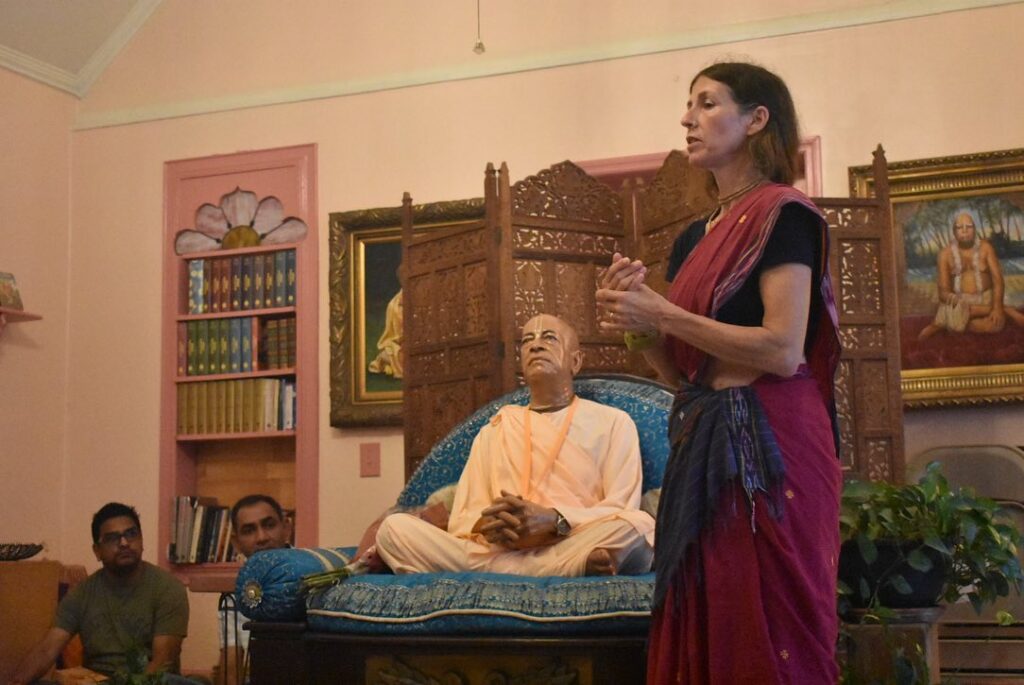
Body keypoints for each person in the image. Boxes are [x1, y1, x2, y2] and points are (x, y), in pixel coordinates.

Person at [596, 61, 842, 683]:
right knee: (705, 613)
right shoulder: (693, 240)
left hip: (772, 445)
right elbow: (682, 371)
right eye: (689, 105)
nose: (687, 118)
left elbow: (783, 350)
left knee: (769, 624)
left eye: (707, 104)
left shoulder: (785, 216)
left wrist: (662, 311)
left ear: (756, 119)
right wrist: (636, 321)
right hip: (703, 436)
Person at [372, 313, 655, 577]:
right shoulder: (495, 429)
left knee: (637, 526)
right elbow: (463, 519)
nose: (535, 346)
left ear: (576, 361)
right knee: (393, 530)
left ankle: (533, 568)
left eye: (549, 338)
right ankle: (557, 569)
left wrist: (555, 521)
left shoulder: (613, 422)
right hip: (497, 550)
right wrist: (492, 526)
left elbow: (622, 506)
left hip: (569, 540)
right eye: (527, 341)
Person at [8, 502, 190, 684]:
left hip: (150, 680)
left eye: (131, 534)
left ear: (141, 541)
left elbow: (162, 662)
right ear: (97, 551)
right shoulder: (81, 594)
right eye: (112, 538)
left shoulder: (168, 588)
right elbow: (47, 650)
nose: (124, 543)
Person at [219, 495, 293, 685]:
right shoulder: (233, 596)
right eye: (249, 530)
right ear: (236, 543)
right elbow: (231, 669)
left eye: (269, 525)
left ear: (286, 528)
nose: (261, 538)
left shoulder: (314, 577)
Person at [918, 211, 1024, 339]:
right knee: (960, 320)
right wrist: (962, 304)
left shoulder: (986, 248)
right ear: (954, 232)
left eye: (969, 227)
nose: (965, 231)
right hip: (959, 301)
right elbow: (943, 292)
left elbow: (998, 281)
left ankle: (954, 322)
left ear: (974, 230)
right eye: (960, 228)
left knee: (993, 326)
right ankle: (1008, 310)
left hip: (986, 298)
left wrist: (997, 307)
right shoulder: (944, 254)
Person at [368, 287, 403, 379]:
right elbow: (394, 334)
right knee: (390, 353)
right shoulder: (394, 306)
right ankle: (386, 363)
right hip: (399, 344)